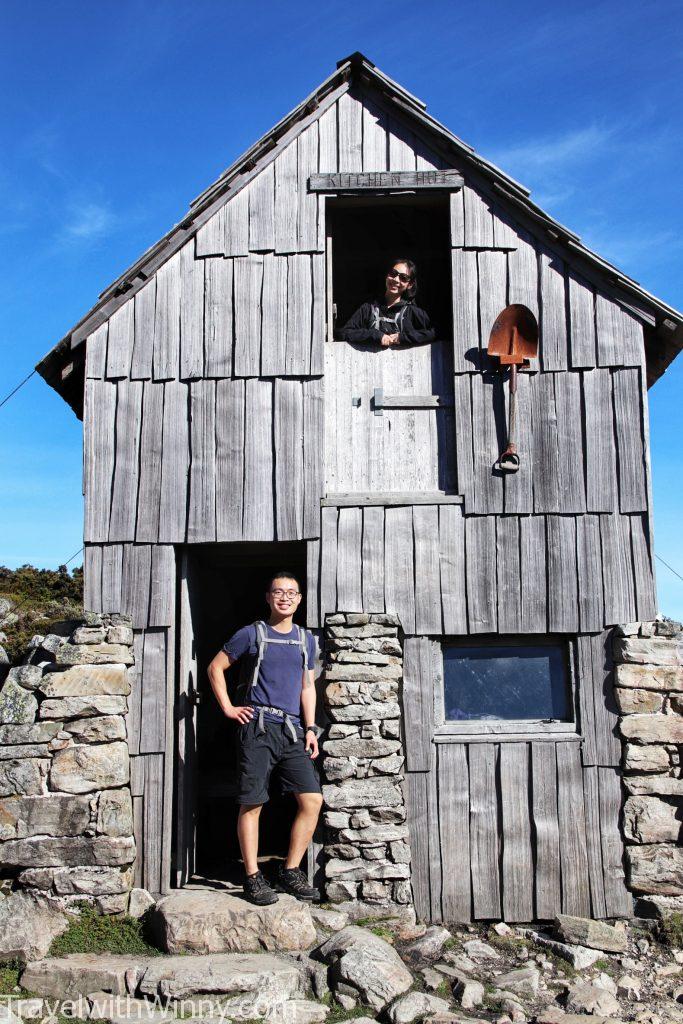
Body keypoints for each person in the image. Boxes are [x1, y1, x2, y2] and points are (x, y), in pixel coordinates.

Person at [207, 571, 323, 906]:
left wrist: (311, 728)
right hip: (257, 726)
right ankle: (253, 877)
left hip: (293, 731)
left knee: (311, 799)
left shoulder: (306, 640)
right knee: (253, 801)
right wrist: (229, 708)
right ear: (268, 597)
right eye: (278, 592)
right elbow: (216, 668)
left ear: (300, 599)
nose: (285, 597)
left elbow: (306, 687)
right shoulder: (251, 634)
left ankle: (289, 871)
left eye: (292, 592)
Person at [334, 257, 435, 347]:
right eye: (393, 273)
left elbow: (433, 333)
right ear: (387, 275)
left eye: (403, 278)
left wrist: (402, 337)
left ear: (410, 284)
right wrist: (375, 335)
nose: (396, 279)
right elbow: (344, 332)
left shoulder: (413, 312)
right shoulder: (368, 308)